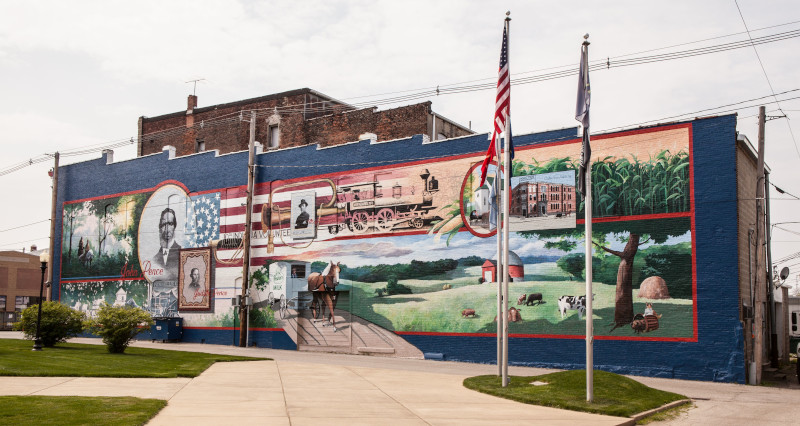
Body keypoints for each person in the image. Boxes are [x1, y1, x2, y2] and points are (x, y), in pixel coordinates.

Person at [151, 208, 181, 281]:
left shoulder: (181, 253)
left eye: (170, 224)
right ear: (160, 228)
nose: (167, 229)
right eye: (164, 224)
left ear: (174, 226)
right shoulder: (155, 259)